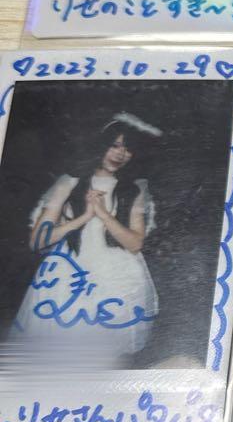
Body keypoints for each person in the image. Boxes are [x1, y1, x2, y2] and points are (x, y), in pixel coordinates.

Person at [11, 112, 161, 364]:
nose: (120, 154)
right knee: (57, 353)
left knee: (106, 357)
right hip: (69, 272)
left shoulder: (133, 189)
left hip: (116, 275)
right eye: (115, 145)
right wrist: (83, 218)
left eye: (127, 149)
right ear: (101, 145)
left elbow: (135, 244)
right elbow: (38, 240)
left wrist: (103, 215)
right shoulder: (69, 183)